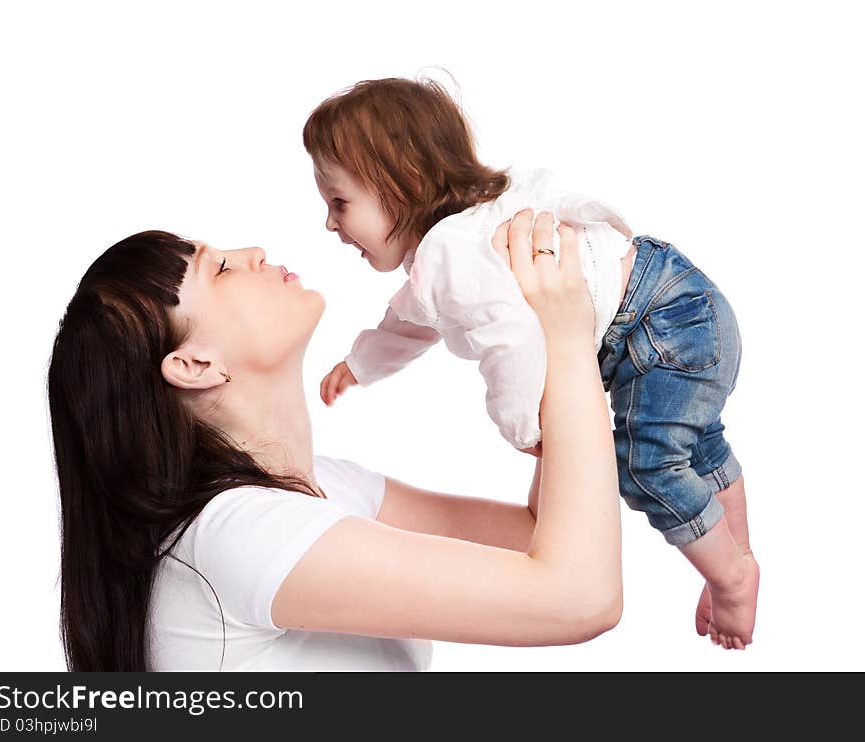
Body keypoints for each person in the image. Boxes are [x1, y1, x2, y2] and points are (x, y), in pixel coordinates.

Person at [47, 210, 622, 671]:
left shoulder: (322, 489)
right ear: (196, 364)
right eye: (219, 270)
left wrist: (556, 332)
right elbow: (580, 598)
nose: (253, 253)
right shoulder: (237, 533)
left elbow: (533, 535)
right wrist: (567, 337)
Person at [305, 77, 758, 650]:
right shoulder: (452, 246)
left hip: (659, 322)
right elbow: (412, 321)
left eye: (339, 202)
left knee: (647, 466)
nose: (329, 223)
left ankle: (731, 576)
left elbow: (513, 338)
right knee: (701, 448)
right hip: (673, 304)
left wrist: (523, 425)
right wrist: (361, 364)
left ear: (405, 184)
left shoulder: (452, 255)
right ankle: (734, 556)